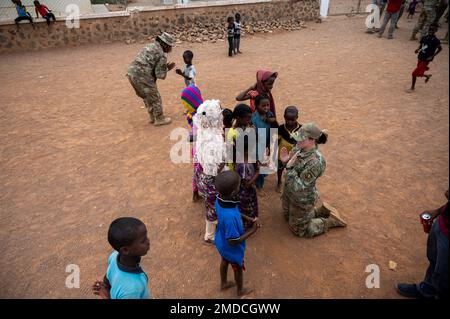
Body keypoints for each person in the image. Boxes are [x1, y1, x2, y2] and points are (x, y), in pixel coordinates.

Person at [280, 123, 347, 238]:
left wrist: (289, 167)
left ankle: (329, 221)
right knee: (286, 215)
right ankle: (320, 211)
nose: (297, 140)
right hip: (289, 192)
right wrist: (285, 160)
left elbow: (299, 186)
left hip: (302, 198)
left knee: (299, 230)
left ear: (312, 140)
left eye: (301, 138)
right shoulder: (299, 147)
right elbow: (289, 160)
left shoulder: (316, 161)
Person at [214, 170, 260, 297]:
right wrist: (252, 230)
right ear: (234, 192)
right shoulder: (231, 217)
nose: (240, 186)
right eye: (239, 185)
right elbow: (233, 240)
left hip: (221, 242)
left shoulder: (219, 199)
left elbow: (234, 210)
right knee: (238, 268)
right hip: (231, 248)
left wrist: (248, 218)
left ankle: (223, 283)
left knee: (224, 261)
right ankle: (240, 291)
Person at [396, 190, 448, 299]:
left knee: (444, 275)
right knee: (434, 261)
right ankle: (427, 290)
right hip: (443, 223)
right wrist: (438, 211)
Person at [92, 217, 151, 299]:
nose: (148, 241)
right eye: (143, 240)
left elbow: (108, 277)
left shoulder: (114, 256)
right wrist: (106, 296)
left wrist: (106, 287)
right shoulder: (132, 289)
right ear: (126, 250)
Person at [194, 100, 226, 245]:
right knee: (213, 207)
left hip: (202, 174)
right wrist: (224, 163)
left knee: (211, 204)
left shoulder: (204, 130)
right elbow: (214, 168)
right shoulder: (213, 140)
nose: (221, 114)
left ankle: (213, 229)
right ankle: (210, 235)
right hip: (212, 179)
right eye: (219, 113)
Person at [126, 32, 175, 126]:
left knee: (147, 96)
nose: (170, 49)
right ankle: (159, 118)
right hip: (143, 75)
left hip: (131, 73)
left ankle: (153, 117)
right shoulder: (161, 54)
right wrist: (167, 68)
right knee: (155, 97)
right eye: (169, 46)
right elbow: (160, 75)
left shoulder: (150, 46)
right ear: (164, 44)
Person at [251, 95, 277, 193]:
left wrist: (272, 120)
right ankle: (259, 186)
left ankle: (259, 180)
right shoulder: (254, 119)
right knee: (260, 165)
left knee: (264, 164)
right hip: (258, 146)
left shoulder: (269, 114)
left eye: (268, 105)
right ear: (256, 106)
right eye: (263, 106)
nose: (266, 107)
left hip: (266, 143)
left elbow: (273, 128)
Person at [408, 24, 442, 91]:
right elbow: (421, 45)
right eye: (430, 30)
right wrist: (417, 49)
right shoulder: (424, 37)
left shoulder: (436, 40)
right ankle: (427, 76)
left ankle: (412, 87)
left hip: (426, 59)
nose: (430, 31)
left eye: (432, 30)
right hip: (420, 56)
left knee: (414, 73)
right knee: (419, 72)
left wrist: (432, 56)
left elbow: (440, 49)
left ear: (435, 31)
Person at [276, 106, 302, 193]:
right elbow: (277, 140)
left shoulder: (301, 128)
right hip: (281, 154)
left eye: (292, 119)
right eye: (287, 119)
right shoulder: (281, 128)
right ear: (284, 117)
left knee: (294, 169)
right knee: (280, 169)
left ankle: (291, 184)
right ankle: (279, 182)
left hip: (294, 155)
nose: (290, 122)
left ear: (297, 118)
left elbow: (303, 141)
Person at [235, 139, 259, 230]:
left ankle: (246, 223)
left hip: (242, 191)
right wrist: (258, 172)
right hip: (245, 193)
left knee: (243, 208)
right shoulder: (245, 165)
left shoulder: (243, 159)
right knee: (246, 209)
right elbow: (247, 184)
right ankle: (246, 225)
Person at [226, 104, 254, 171]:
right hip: (236, 166)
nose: (250, 121)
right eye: (248, 118)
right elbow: (231, 153)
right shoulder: (232, 133)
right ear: (238, 117)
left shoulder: (246, 127)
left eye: (250, 118)